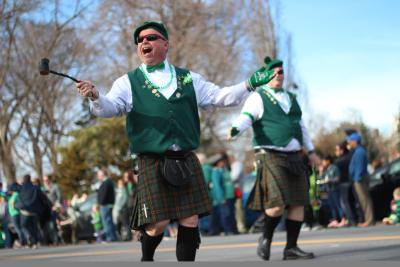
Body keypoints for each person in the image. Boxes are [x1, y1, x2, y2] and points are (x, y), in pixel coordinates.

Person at [76, 21, 277, 261]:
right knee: (158, 223)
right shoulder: (127, 82)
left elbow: (221, 97)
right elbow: (108, 108)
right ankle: (147, 258)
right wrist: (96, 97)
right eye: (139, 40)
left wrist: (249, 84)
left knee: (189, 219)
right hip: (151, 159)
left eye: (150, 37)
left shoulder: (188, 78)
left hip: (184, 158)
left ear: (165, 43)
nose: (143, 43)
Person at [228, 56, 319, 260]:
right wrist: (236, 129)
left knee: (298, 202)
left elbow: (301, 126)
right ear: (267, 76)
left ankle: (291, 248)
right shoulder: (258, 97)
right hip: (270, 155)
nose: (279, 75)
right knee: (277, 204)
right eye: (274, 72)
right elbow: (247, 117)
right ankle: (266, 238)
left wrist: (311, 151)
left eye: (281, 72)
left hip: (295, 156)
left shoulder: (291, 97)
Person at [347, 132, 375, 227]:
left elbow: (359, 167)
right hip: (359, 178)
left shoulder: (359, 151)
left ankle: (369, 220)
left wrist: (357, 178)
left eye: (350, 141)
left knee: (365, 200)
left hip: (359, 179)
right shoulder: (359, 150)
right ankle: (369, 220)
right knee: (364, 200)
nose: (349, 143)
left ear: (355, 141)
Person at [96, 168, 118, 242]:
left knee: (107, 222)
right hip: (108, 205)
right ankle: (113, 237)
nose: (98, 177)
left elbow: (103, 195)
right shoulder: (108, 182)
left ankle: (110, 237)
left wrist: (101, 203)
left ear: (102, 175)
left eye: (98, 175)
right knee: (109, 221)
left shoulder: (106, 182)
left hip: (105, 205)